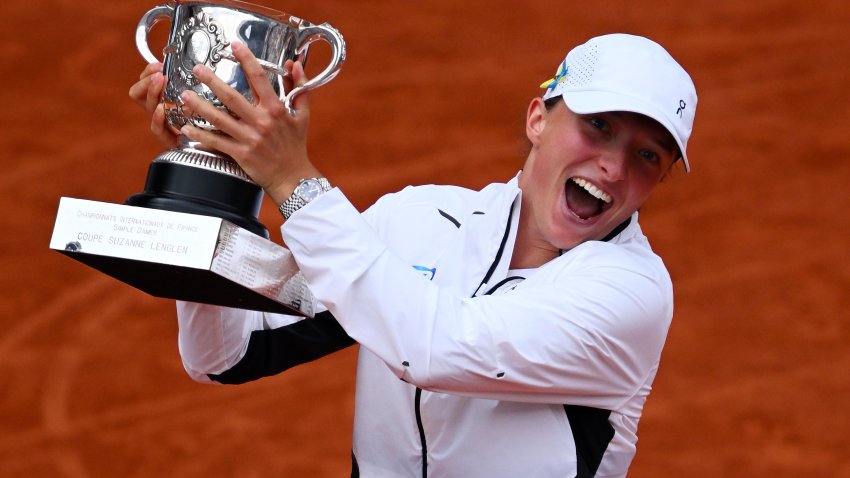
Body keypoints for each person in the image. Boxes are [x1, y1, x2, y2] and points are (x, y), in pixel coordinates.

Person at [129, 33, 698, 477]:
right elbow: (226, 355)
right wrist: (212, 173)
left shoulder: (630, 293)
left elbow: (438, 347)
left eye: (648, 156)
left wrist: (293, 180)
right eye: (597, 126)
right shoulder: (418, 221)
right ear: (538, 118)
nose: (615, 167)